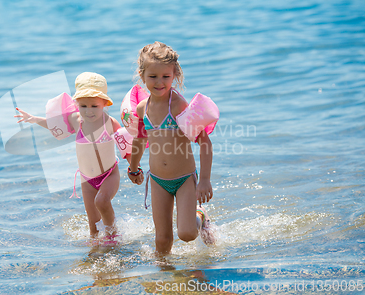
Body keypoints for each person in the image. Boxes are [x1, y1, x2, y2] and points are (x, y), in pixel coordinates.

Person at [127, 41, 217, 254]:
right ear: (142, 76)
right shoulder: (142, 108)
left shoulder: (177, 106)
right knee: (162, 241)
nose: (159, 82)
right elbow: (140, 140)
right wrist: (133, 167)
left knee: (186, 234)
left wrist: (204, 180)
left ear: (175, 75)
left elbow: (204, 142)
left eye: (166, 77)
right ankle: (163, 279)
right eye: (153, 77)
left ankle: (200, 216)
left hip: (184, 179)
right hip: (158, 180)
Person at [15, 72, 123, 241]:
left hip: (109, 174)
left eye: (94, 106)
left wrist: (134, 167)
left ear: (104, 104)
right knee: (93, 225)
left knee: (101, 201)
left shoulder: (110, 123)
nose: (89, 111)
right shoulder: (76, 120)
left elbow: (127, 144)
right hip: (87, 179)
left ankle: (113, 237)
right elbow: (53, 125)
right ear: (76, 104)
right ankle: (95, 248)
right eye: (83, 106)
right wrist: (34, 119)